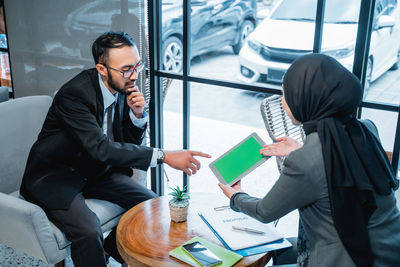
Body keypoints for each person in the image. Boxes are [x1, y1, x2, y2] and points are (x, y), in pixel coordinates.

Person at [20, 31, 211, 267]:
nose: (134, 76)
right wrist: (165, 156)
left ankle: (115, 249)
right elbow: (102, 149)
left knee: (151, 204)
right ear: (101, 69)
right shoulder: (75, 95)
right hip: (56, 176)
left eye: (137, 66)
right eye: (127, 69)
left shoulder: (120, 85)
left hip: (95, 169)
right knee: (89, 232)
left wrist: (137, 116)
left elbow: (124, 143)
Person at [219, 54, 400, 267]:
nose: (284, 101)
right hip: (390, 250)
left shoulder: (305, 161)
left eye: (286, 93)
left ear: (307, 98)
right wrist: (300, 148)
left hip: (347, 259)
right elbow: (339, 166)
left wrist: (236, 196)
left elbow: (264, 211)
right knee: (284, 249)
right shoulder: (366, 128)